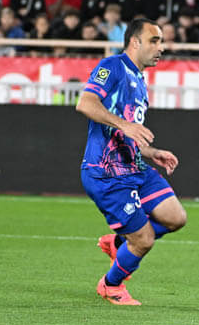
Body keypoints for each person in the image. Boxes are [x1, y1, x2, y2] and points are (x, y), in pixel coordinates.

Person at [77, 18, 186, 306]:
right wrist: (125, 124)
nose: (161, 48)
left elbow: (129, 131)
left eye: (161, 41)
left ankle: (118, 243)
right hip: (106, 172)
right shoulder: (112, 66)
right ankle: (110, 284)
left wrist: (151, 152)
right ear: (135, 42)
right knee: (144, 239)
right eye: (154, 40)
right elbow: (85, 103)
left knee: (176, 217)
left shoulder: (139, 81)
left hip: (135, 166)